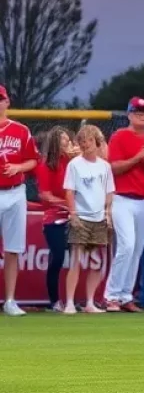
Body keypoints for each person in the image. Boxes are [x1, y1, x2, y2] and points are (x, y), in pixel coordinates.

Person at [105, 97, 144, 312]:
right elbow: (113, 168)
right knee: (126, 246)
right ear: (129, 114)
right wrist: (139, 157)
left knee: (136, 249)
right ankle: (111, 295)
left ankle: (126, 295)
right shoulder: (120, 136)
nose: (142, 115)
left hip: (143, 199)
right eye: (137, 112)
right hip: (122, 198)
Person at [62, 125, 115, 314]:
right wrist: (73, 214)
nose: (86, 145)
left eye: (89, 141)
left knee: (96, 263)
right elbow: (69, 191)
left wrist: (108, 214)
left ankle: (90, 302)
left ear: (96, 142)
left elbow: (109, 192)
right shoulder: (74, 164)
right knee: (76, 259)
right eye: (82, 141)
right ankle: (69, 302)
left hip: (99, 218)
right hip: (81, 218)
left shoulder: (105, 166)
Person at [0, 84, 39, 316]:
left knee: (13, 248)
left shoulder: (21, 130)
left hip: (15, 191)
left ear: (7, 102)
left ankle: (11, 300)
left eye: (0, 99)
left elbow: (33, 161)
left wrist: (18, 167)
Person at [34, 127, 73, 311]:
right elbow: (45, 195)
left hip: (73, 215)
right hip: (54, 217)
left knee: (78, 255)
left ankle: (75, 300)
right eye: (64, 140)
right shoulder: (45, 164)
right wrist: (67, 204)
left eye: (68, 140)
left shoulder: (71, 161)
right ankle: (54, 300)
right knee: (57, 257)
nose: (68, 143)